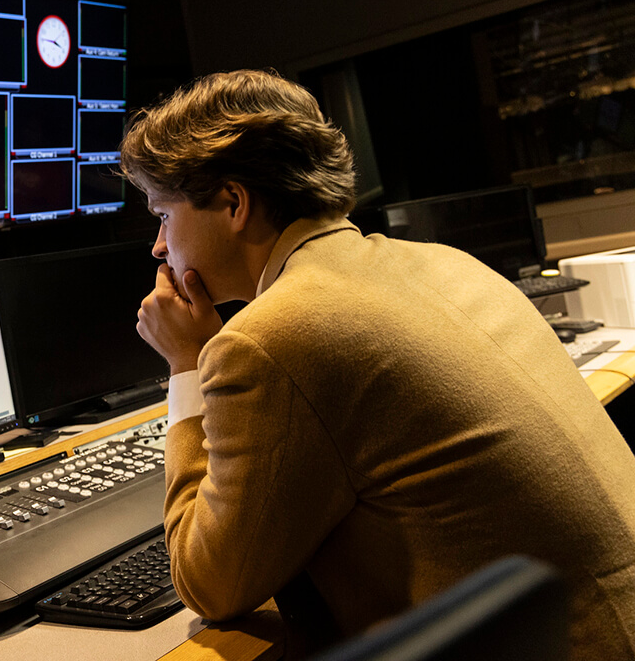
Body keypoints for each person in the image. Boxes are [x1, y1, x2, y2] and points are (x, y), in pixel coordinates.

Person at [120, 69, 635, 659]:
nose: (159, 247)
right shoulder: (445, 261)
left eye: (163, 215)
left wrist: (187, 365)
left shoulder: (270, 338)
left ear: (234, 203)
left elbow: (209, 583)